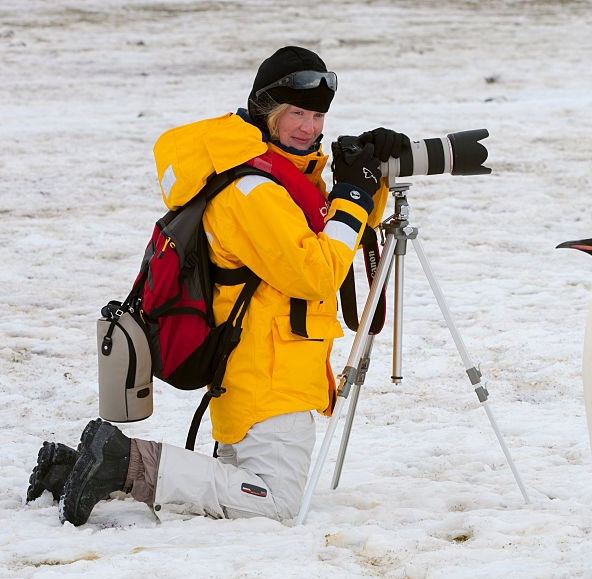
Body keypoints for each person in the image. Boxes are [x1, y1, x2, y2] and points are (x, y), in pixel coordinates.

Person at [26, 46, 408, 526]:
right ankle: (122, 462)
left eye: (317, 116)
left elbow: (325, 234)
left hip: (260, 372)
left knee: (233, 492)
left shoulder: (274, 175)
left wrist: (369, 184)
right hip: (270, 378)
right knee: (276, 504)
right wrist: (352, 197)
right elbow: (315, 274)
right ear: (267, 110)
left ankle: (71, 470)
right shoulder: (252, 191)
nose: (309, 128)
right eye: (297, 113)